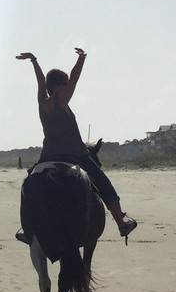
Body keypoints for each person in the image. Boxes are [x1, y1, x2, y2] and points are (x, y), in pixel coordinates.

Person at [16, 48, 138, 240]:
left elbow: (40, 81)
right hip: (76, 154)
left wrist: (34, 61)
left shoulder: (42, 103)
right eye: (65, 84)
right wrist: (82, 59)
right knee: (103, 182)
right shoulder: (61, 101)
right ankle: (121, 224)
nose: (68, 87)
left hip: (47, 155)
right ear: (58, 87)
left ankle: (27, 229)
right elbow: (75, 78)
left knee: (29, 184)